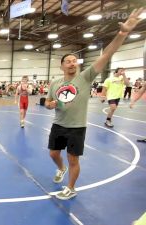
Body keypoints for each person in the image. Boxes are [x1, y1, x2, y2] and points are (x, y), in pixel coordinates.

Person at [45, 7, 143, 200]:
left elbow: (106, 54)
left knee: (74, 159)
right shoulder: (55, 82)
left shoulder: (85, 77)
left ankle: (71, 188)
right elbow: (48, 102)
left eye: (75, 61)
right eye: (69, 61)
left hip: (76, 127)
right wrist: (50, 105)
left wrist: (122, 33)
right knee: (53, 154)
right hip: (58, 124)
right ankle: (61, 169)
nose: (73, 63)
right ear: (62, 66)